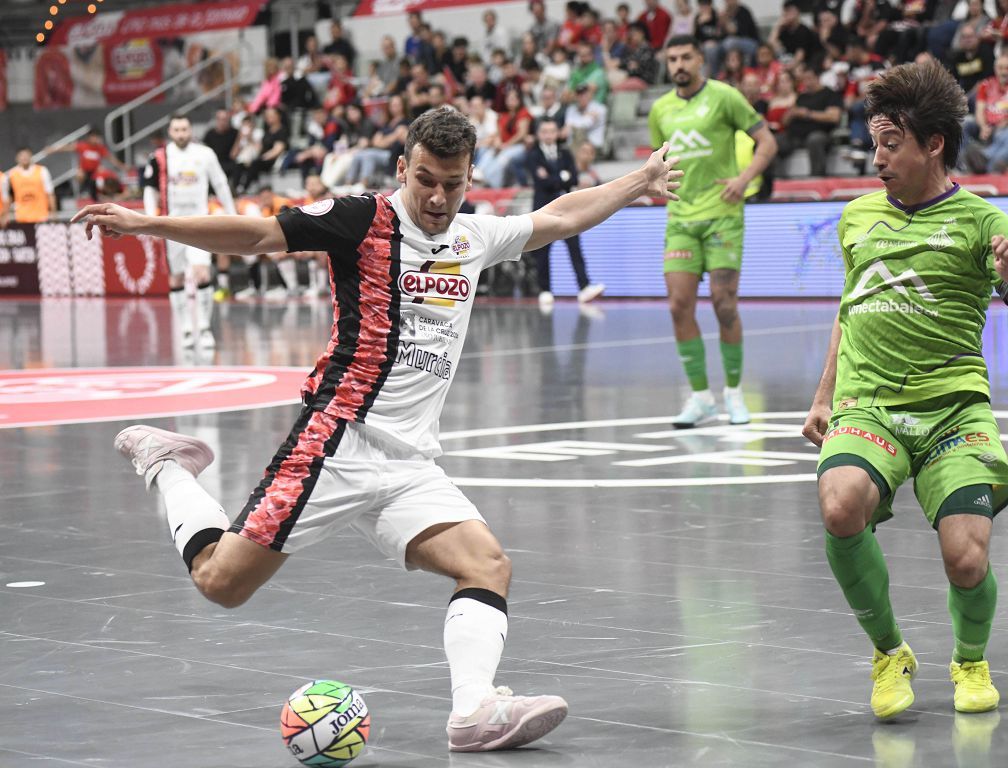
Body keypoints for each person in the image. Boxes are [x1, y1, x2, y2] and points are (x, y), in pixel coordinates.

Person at [71, 106, 682, 753]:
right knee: (221, 583)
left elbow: (559, 217)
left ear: (470, 177)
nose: (438, 197)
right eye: (425, 179)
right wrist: (150, 223)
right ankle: (168, 465)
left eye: (452, 182)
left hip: (411, 461)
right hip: (337, 443)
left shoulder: (473, 239)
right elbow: (253, 237)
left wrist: (637, 183)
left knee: (486, 564)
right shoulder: (361, 221)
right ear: (402, 169)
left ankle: (473, 711)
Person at [802, 59, 1008, 721]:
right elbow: (850, 306)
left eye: (891, 144)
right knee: (839, 506)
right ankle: (889, 653)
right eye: (874, 143)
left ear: (933, 145)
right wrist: (824, 393)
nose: (876, 158)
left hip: (953, 409)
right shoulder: (858, 217)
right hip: (869, 406)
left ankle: (970, 660)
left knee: (967, 559)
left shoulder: (982, 223)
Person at [648, 35, 777, 427]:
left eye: (686, 57)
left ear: (701, 59)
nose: (679, 65)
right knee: (678, 306)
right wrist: (655, 185)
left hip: (723, 217)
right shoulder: (660, 109)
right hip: (681, 222)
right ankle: (701, 398)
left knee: (724, 305)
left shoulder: (725, 97)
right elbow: (660, 162)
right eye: (672, 59)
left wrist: (744, 179)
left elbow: (767, 142)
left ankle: (734, 395)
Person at [142, 114, 236, 350]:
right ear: (170, 132)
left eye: (185, 129)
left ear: (191, 130)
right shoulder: (160, 158)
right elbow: (149, 190)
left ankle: (204, 328)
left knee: (202, 273)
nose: (181, 133)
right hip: (170, 223)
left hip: (199, 223)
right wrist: (150, 219)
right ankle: (185, 328)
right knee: (176, 278)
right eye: (176, 130)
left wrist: (233, 213)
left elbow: (221, 183)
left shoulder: (204, 154)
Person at [525, 117, 605, 308]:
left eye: (552, 131)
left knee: (575, 246)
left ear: (557, 133)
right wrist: (562, 177)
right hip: (542, 208)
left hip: (566, 208)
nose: (549, 135)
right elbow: (541, 182)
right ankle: (545, 290)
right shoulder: (533, 155)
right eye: (545, 131)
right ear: (539, 134)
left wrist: (557, 178)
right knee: (543, 250)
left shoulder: (565, 153)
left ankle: (584, 287)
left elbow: (573, 178)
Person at [3, 147, 56, 224]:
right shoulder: (11, 175)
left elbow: (50, 193)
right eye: (22, 155)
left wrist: (53, 213)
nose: (24, 158)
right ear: (17, 158)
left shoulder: (42, 171)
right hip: (22, 218)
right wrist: (5, 214)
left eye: (26, 155)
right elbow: (8, 197)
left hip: (41, 217)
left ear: (31, 156)